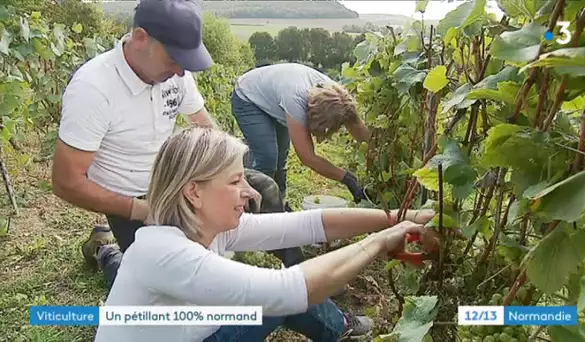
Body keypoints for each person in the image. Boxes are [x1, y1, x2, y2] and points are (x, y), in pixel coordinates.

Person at [93, 127, 437, 342]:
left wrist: (400, 217)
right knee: (278, 295)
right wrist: (379, 242)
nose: (252, 193)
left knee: (273, 295)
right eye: (234, 181)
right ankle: (338, 328)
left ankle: (336, 328)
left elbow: (308, 224)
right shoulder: (166, 254)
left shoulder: (206, 229)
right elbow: (289, 290)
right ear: (193, 193)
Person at [50, 0, 289, 287]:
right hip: (132, 197)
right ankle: (107, 251)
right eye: (174, 59)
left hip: (176, 178)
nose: (180, 71)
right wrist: (144, 210)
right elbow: (66, 182)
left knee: (265, 188)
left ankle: (297, 271)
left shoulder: (175, 74)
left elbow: (203, 124)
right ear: (141, 39)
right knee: (162, 280)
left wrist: (236, 176)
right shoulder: (93, 89)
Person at [230, 63, 372, 209]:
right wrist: (347, 178)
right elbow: (308, 157)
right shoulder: (296, 101)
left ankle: (279, 204)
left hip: (273, 93)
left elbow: (357, 127)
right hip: (248, 96)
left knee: (280, 160)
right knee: (267, 158)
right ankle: (254, 208)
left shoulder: (339, 98)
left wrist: (374, 155)